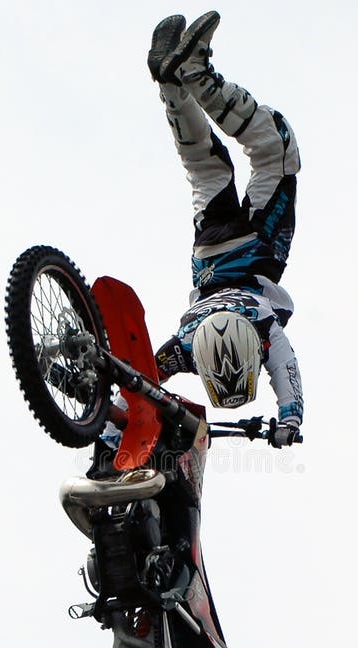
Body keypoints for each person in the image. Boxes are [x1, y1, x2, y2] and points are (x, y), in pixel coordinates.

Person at [100, 10, 303, 457]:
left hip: (255, 252)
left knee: (277, 152)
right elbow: (141, 381)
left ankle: (196, 74)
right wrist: (107, 431)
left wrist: (292, 414)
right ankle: (172, 87)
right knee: (204, 168)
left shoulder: (262, 326)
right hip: (207, 255)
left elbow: (285, 366)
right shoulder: (185, 347)